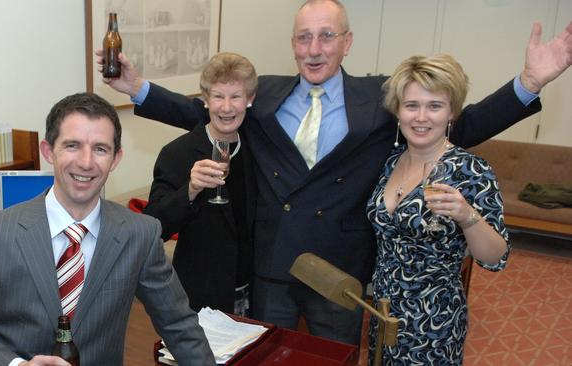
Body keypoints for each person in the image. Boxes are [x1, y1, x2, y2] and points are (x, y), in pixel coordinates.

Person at [98, 0, 572, 345]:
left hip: (341, 265)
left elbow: (457, 124)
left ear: (347, 42)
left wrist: (529, 83)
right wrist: (137, 88)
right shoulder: (264, 95)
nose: (314, 47)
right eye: (304, 37)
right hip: (273, 264)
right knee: (272, 354)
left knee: (335, 356)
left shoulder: (383, 97)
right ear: (293, 45)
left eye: (327, 35)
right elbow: (207, 112)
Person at [0, 93, 215, 366]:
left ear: (116, 158)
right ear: (48, 151)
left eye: (100, 149)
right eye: (72, 145)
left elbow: (179, 325)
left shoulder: (140, 234)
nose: (86, 163)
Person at [367, 54, 510, 365]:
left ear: (451, 113)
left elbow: (495, 257)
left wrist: (467, 216)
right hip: (383, 310)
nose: (421, 117)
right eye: (412, 105)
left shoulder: (471, 170)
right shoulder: (391, 161)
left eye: (434, 106)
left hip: (433, 320)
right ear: (398, 111)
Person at [142, 52, 257, 316]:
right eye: (218, 96)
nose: (226, 108)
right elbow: (153, 226)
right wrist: (190, 190)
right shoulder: (177, 153)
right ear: (205, 100)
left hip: (253, 290)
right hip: (200, 293)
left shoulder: (258, 150)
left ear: (249, 100)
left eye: (235, 96)